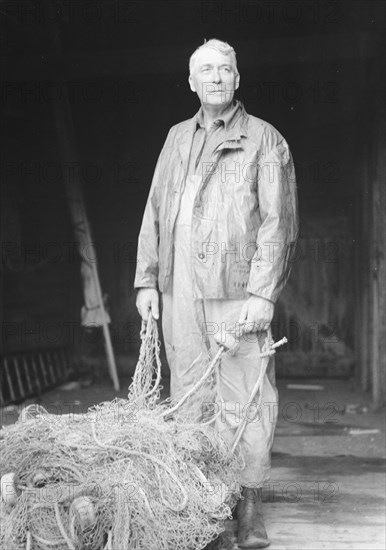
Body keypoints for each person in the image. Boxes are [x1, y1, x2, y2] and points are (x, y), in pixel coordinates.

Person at [135, 39, 298, 549]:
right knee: (190, 400)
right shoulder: (176, 138)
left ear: (237, 78)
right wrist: (146, 278)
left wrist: (263, 293)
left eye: (224, 69)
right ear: (191, 81)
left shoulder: (264, 140)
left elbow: (279, 224)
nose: (216, 78)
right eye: (205, 70)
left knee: (246, 400)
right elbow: (155, 209)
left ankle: (248, 508)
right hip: (180, 291)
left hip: (236, 292)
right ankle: (205, 509)